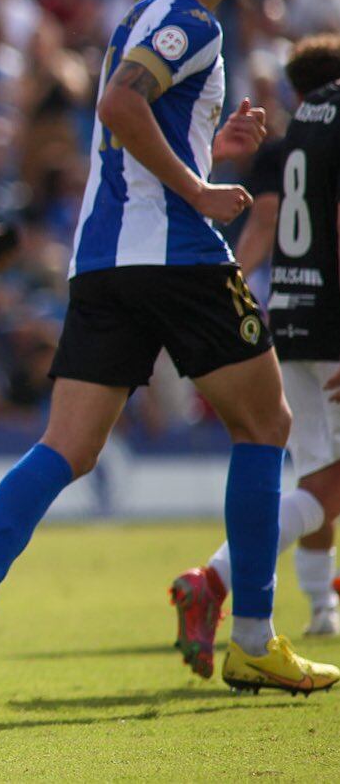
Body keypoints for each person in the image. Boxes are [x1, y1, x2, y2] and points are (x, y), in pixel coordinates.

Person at [0, 0, 340, 716]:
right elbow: (118, 105)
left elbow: (131, 118)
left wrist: (205, 148)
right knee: (265, 426)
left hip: (104, 264)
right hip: (178, 258)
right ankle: (253, 641)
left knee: (66, 447)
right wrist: (197, 182)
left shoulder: (149, 18)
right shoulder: (191, 20)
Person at [173, 34, 340, 650]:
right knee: (328, 481)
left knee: (317, 469)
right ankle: (214, 578)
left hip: (291, 312)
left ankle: (321, 604)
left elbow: (268, 219)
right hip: (331, 317)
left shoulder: (290, 139)